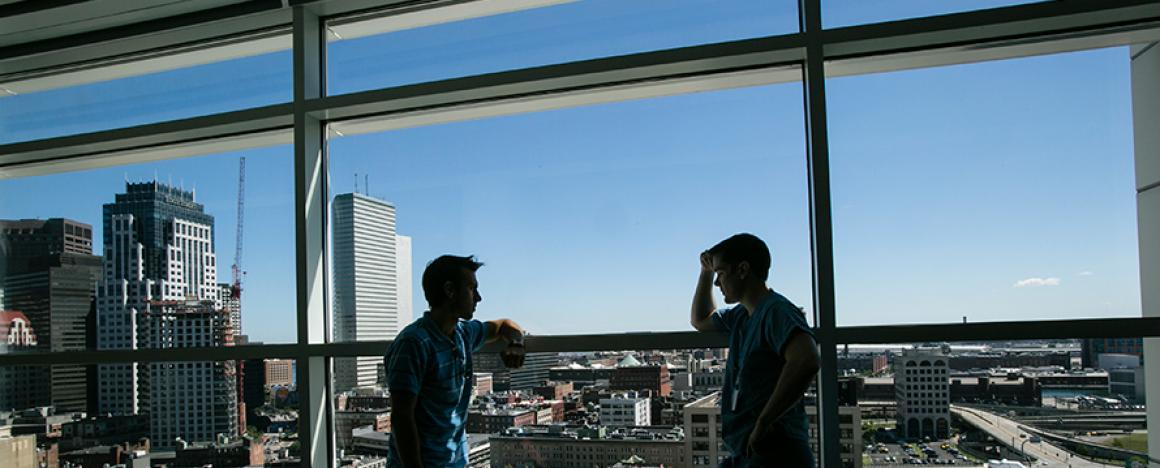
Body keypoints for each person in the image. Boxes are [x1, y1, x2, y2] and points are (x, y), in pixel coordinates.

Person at [690, 233, 821, 467]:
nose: (717, 283)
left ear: (742, 270)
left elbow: (806, 360)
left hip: (776, 449)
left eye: (721, 273)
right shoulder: (742, 315)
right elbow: (701, 320)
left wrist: (764, 422)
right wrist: (706, 271)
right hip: (751, 448)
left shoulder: (777, 311)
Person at [384, 255, 526, 468]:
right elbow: (402, 419)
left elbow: (505, 324)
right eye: (471, 288)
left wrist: (516, 342)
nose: (478, 297)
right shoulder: (413, 344)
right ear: (450, 290)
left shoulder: (462, 334)